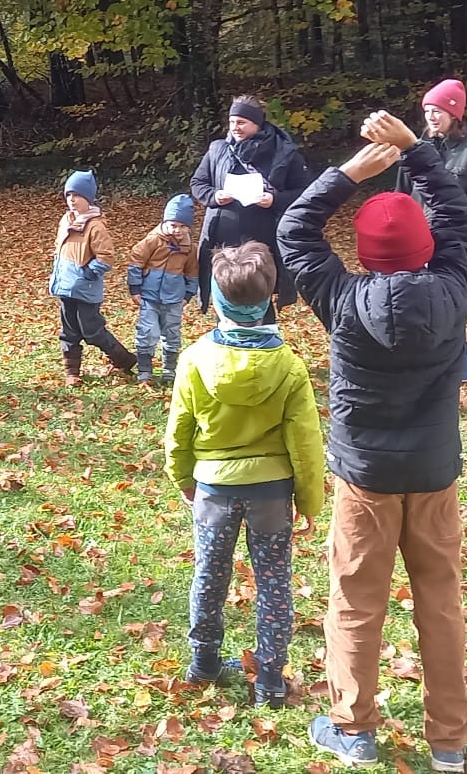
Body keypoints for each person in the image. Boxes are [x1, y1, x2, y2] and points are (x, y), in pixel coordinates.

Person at [276, 111, 467, 774]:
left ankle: (353, 728)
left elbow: (293, 229)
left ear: (363, 253)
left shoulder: (340, 297)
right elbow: (463, 218)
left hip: (365, 475)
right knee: (441, 602)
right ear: (427, 244)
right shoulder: (452, 285)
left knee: (356, 601)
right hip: (433, 469)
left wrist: (347, 174)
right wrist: (416, 151)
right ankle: (448, 741)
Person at [164, 241, 323, 708]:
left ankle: (203, 662)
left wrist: (183, 479)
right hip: (272, 493)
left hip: (214, 487)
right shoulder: (289, 365)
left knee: (209, 575)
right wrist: (310, 501)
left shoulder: (194, 358)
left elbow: (179, 430)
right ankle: (270, 679)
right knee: (274, 579)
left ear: (215, 299)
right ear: (271, 299)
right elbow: (307, 444)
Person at [399, 79, 467, 407]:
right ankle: (420, 368)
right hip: (413, 243)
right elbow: (401, 196)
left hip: (453, 247)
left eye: (438, 110)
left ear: (455, 114)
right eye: (427, 111)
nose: (431, 117)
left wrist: (466, 249)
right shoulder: (414, 150)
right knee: (415, 305)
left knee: (460, 310)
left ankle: (464, 376)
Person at [189, 96, 314, 314]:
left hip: (264, 241)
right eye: (231, 122)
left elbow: (304, 192)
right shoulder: (219, 149)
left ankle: (262, 341)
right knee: (225, 298)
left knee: (259, 298)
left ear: (257, 122)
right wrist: (215, 196)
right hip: (222, 243)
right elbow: (198, 183)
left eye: (241, 122)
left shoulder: (284, 152)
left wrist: (275, 200)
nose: (235, 128)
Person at [49, 171, 137, 386]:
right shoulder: (65, 220)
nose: (72, 200)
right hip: (65, 287)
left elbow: (106, 257)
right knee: (68, 331)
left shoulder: (95, 226)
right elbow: (59, 249)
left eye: (77, 196)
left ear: (88, 199)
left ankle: (124, 359)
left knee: (92, 331)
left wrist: (87, 273)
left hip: (86, 289)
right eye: (68, 195)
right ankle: (72, 373)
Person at [127, 195, 200, 386]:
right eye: (173, 225)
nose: (177, 231)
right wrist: (135, 289)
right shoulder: (152, 241)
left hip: (174, 299)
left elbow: (192, 273)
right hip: (149, 297)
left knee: (172, 333)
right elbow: (136, 261)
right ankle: (145, 371)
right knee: (147, 332)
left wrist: (188, 295)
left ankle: (169, 370)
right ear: (164, 222)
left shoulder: (189, 249)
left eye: (182, 227)